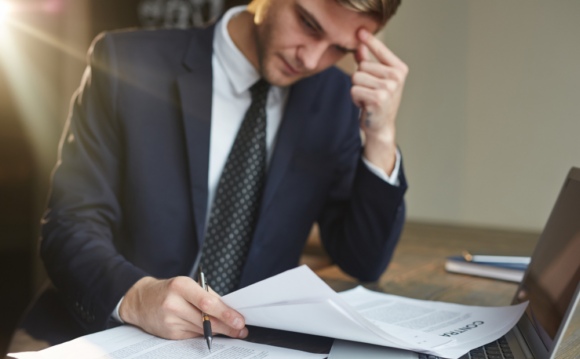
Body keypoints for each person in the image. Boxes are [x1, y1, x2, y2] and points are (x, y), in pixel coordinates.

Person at [39, 0, 408, 344]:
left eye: (339, 49)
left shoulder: (337, 101)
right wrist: (135, 296)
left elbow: (363, 260)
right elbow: (69, 224)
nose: (311, 59)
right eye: (308, 24)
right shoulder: (125, 63)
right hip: (115, 336)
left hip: (249, 344)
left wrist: (381, 136)